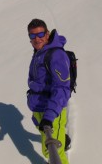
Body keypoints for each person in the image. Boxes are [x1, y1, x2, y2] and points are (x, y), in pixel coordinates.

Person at [26, 18, 71, 164]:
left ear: (47, 34)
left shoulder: (56, 55)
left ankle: (61, 140)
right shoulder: (39, 52)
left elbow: (62, 88)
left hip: (52, 112)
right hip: (39, 108)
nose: (37, 39)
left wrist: (49, 116)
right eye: (32, 36)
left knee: (54, 153)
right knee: (48, 148)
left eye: (40, 34)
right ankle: (63, 138)